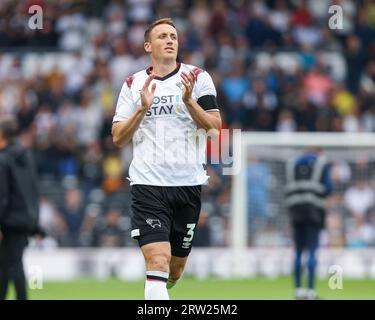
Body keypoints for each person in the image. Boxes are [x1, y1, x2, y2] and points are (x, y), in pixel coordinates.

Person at [112, 17, 221, 300]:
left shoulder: (198, 77)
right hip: (148, 185)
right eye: (162, 36)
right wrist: (141, 110)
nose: (170, 40)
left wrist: (188, 102)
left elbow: (214, 129)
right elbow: (118, 138)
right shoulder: (133, 83)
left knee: (174, 270)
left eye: (173, 36)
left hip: (188, 185)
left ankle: (160, 285)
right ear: (148, 45)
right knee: (158, 261)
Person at [0, 116, 44, 300]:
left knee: (12, 263)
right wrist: (35, 222)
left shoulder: (3, 160)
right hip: (26, 218)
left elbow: (2, 196)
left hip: (9, 220)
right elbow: (33, 190)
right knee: (7, 263)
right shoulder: (27, 157)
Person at [285, 147, 332, 300]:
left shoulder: (292, 163)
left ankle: (298, 291)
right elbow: (328, 189)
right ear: (318, 152)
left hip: (295, 211)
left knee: (298, 252)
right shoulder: (321, 164)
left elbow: (287, 187)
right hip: (313, 212)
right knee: (312, 251)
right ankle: (311, 292)